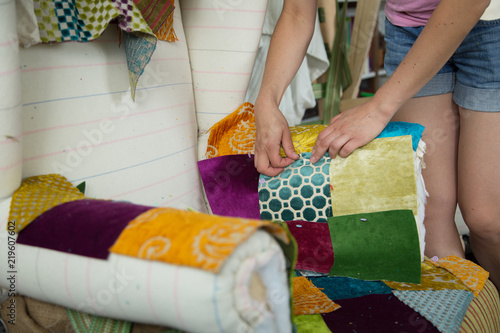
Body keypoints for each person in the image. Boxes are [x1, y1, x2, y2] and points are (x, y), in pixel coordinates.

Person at [254, 0, 500, 289]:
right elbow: (297, 12)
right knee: (428, 214)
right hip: (410, 29)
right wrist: (267, 101)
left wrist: (379, 108)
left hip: (487, 24)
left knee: (486, 219)